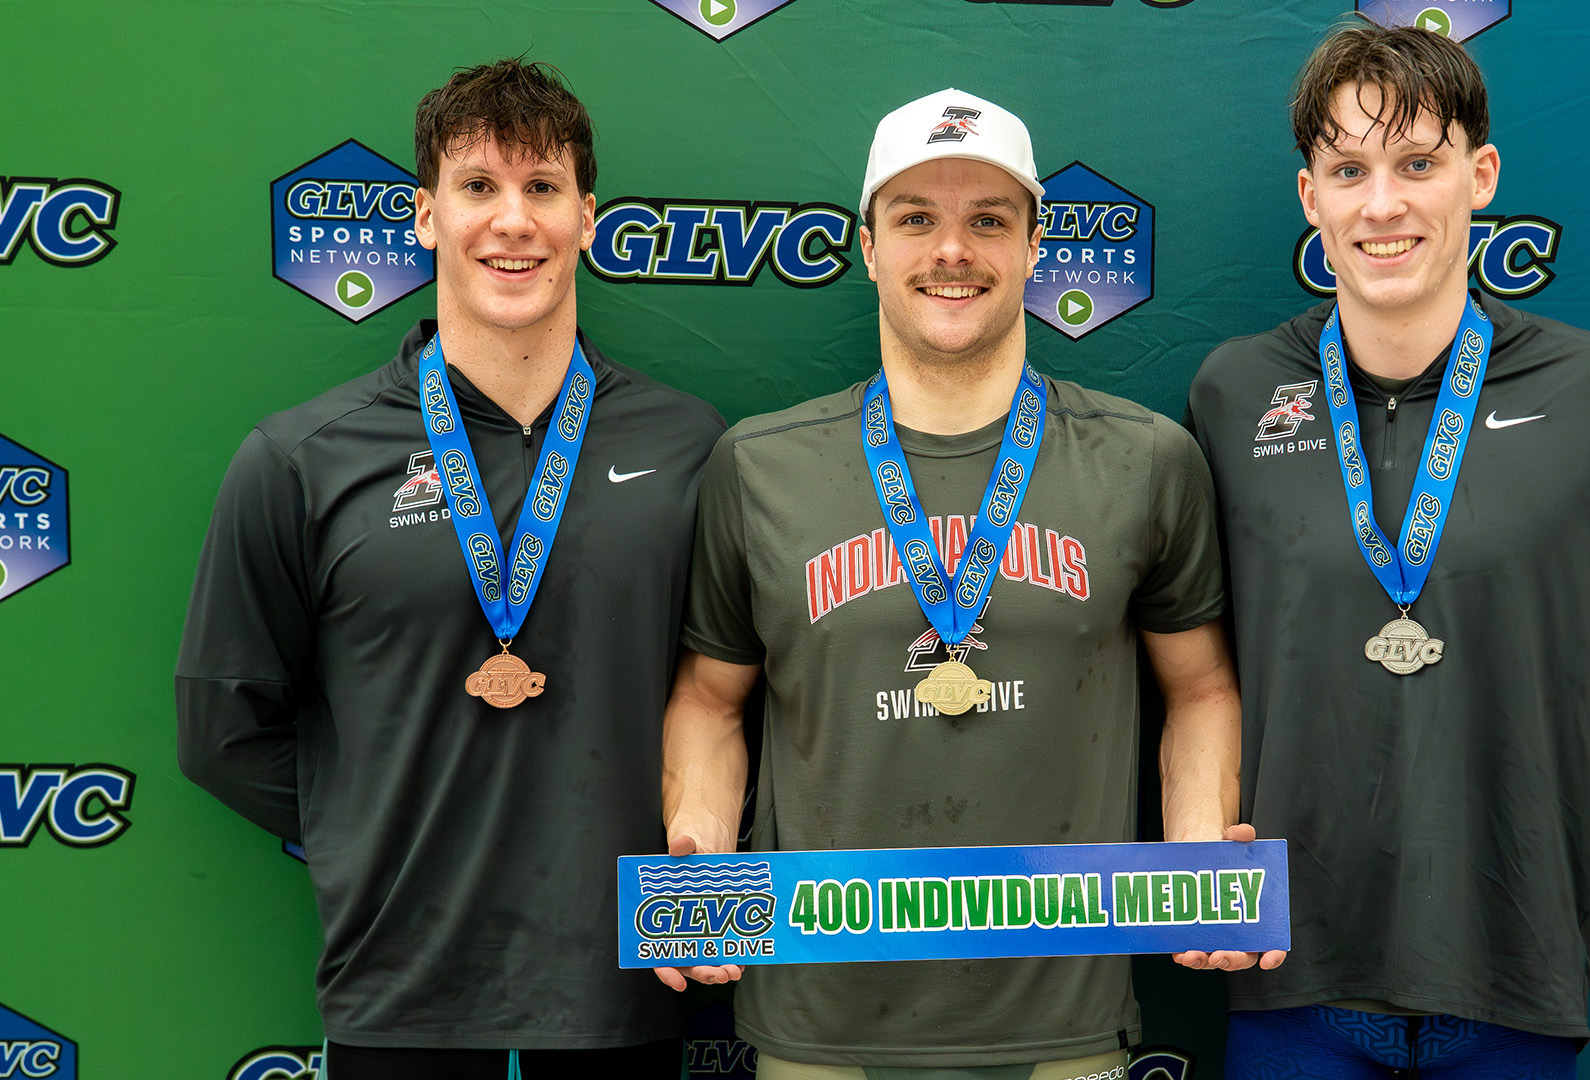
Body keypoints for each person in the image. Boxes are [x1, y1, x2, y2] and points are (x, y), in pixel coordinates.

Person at [655, 87, 1278, 1078]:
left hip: (1065, 1028)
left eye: (989, 219)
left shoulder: (1146, 459)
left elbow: (1199, 688)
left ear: (1036, 246)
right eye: (917, 219)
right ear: (866, 246)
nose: (953, 251)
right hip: (819, 1028)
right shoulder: (758, 466)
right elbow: (707, 699)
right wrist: (700, 845)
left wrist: (1198, 861)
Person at [1185, 23, 1590, 1080]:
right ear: (1311, 197)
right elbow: (1189, 686)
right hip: (1289, 989)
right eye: (1348, 168)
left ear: (1479, 176)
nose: (1382, 204)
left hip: (1513, 993)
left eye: (1418, 164)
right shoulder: (1232, 393)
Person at [176, 59, 723, 1079]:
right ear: (425, 216)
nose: (511, 220)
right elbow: (220, 727)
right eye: (479, 186)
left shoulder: (693, 446)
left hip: (630, 983)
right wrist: (369, 820)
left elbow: (736, 693)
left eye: (542, 187)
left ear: (588, 218)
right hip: (401, 984)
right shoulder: (304, 458)